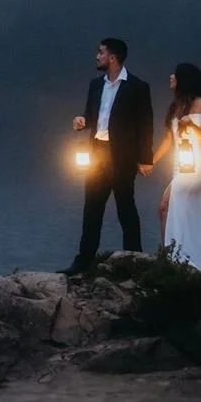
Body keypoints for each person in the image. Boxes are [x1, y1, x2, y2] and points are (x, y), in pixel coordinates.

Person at [64, 37, 154, 274]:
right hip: (97, 153)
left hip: (122, 156)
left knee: (126, 208)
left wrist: (146, 158)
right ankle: (83, 261)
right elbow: (93, 115)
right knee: (92, 208)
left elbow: (146, 125)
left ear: (112, 57)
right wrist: (81, 121)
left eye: (101, 52)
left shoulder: (137, 86)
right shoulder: (96, 84)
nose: (97, 56)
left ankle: (134, 260)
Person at [154, 62, 201, 270]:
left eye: (176, 74)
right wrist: (151, 161)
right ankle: (180, 255)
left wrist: (190, 125)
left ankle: (172, 257)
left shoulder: (198, 105)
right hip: (180, 165)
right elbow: (168, 139)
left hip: (195, 165)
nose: (171, 77)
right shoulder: (176, 106)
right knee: (174, 209)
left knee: (166, 206)